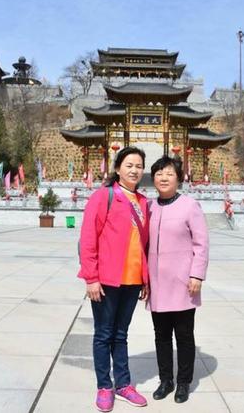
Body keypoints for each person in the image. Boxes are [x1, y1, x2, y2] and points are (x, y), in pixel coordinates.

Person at [78, 146, 149, 412]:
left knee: (121, 334)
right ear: (118, 168)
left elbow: (145, 245)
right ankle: (104, 386)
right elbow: (87, 240)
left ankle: (123, 384)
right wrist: (91, 278)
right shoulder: (104, 196)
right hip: (106, 280)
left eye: (139, 166)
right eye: (129, 165)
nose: (134, 170)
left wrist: (145, 279)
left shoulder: (143, 202)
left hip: (132, 281)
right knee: (104, 334)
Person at [146, 156, 209, 403]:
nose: (163, 177)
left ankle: (183, 382)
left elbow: (201, 244)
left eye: (169, 173)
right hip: (157, 284)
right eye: (159, 173)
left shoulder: (190, 206)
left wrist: (197, 274)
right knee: (160, 336)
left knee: (183, 335)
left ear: (178, 178)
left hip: (183, 283)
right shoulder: (149, 207)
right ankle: (166, 380)